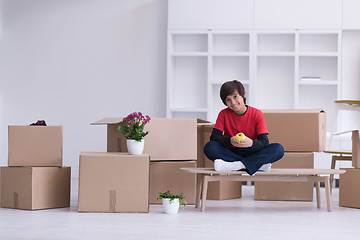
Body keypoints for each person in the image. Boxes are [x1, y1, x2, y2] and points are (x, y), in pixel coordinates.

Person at [203, 80, 284, 175]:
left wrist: (251, 143)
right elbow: (214, 139)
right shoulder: (223, 114)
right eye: (228, 100)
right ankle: (255, 164)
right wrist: (230, 140)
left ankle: (236, 165)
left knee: (278, 149)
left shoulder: (257, 114)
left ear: (243, 95)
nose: (233, 102)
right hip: (232, 151)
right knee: (209, 147)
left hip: (252, 151)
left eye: (235, 97)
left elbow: (264, 143)